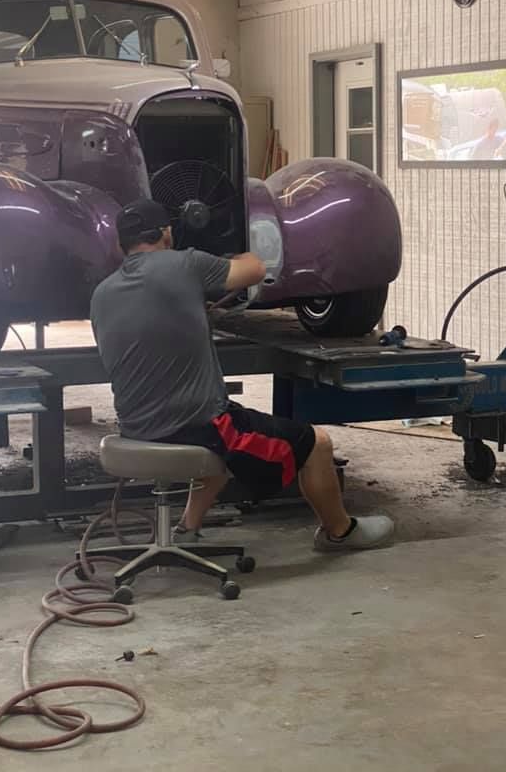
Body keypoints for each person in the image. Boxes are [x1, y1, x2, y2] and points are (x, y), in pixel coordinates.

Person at [90, 198, 394, 551]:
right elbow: (253, 269)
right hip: (195, 423)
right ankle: (339, 532)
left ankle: (187, 530)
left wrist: (190, 307)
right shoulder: (184, 264)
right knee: (316, 443)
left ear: (119, 244)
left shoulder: (102, 293)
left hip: (136, 427)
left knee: (221, 442)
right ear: (166, 233)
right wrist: (232, 246)